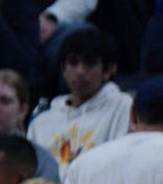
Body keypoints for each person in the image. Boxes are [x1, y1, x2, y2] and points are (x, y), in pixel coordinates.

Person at [27, 26, 131, 166]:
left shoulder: (123, 107)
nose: (80, 71)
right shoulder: (41, 123)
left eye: (90, 63)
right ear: (63, 69)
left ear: (108, 70)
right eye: (73, 63)